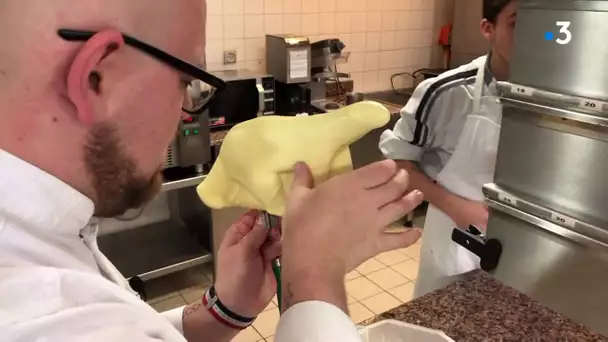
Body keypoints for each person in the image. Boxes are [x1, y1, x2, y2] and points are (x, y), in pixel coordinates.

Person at [0, 0, 423, 341]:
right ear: (95, 77)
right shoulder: (41, 313)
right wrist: (312, 272)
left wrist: (223, 311)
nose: (182, 113)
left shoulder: (37, 238)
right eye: (185, 82)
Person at [379, 0, 517, 297]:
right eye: (517, 24)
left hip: (527, 249)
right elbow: (397, 163)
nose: (534, 36)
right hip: (458, 241)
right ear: (487, 28)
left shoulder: (563, 97)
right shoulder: (447, 93)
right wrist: (457, 208)